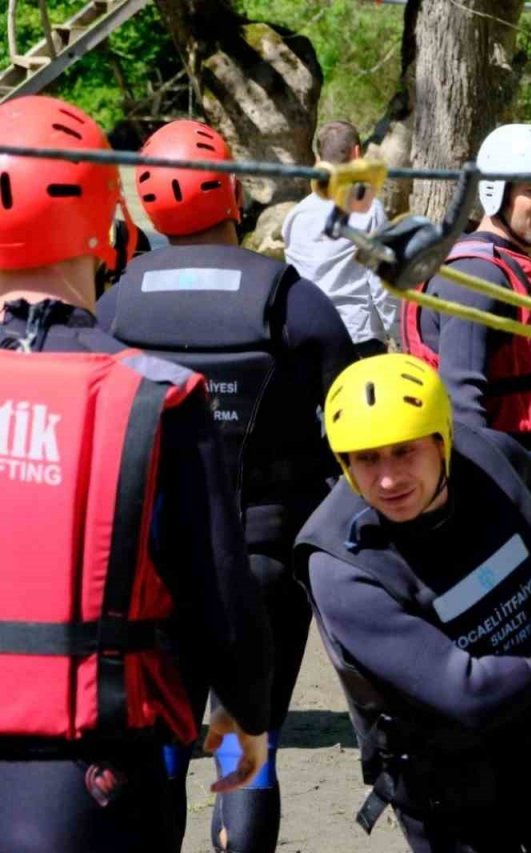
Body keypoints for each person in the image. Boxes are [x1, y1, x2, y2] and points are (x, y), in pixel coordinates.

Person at [0, 95, 272, 853]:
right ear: (104, 222)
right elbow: (220, 591)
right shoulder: (156, 395)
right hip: (88, 776)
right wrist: (246, 714)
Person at [96, 118, 357, 853]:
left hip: (157, 563)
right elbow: (353, 426)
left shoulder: (115, 307)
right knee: (248, 731)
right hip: (266, 558)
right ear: (234, 195)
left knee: (168, 735)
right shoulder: (292, 299)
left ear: (147, 206)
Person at [295, 354, 531, 852]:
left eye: (404, 451)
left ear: (444, 441)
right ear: (344, 463)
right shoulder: (342, 567)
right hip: (447, 788)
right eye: (366, 458)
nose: (388, 479)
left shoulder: (486, 456)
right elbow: (469, 694)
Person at [402, 124, 531, 451]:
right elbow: (463, 410)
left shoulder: (507, 265)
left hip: (522, 470)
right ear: (496, 191)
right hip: (491, 480)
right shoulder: (478, 277)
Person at [283, 119, 397, 357]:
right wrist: (399, 335)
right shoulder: (367, 208)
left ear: (318, 160)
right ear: (357, 154)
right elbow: (382, 284)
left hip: (306, 337)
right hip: (357, 337)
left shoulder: (295, 216)